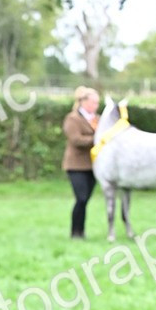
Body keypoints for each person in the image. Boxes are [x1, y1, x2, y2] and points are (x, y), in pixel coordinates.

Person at [62, 86, 100, 238]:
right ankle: (75, 232)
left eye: (97, 103)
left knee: (85, 200)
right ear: (83, 102)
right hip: (76, 165)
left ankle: (81, 232)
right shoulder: (72, 118)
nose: (96, 106)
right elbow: (76, 139)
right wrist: (98, 139)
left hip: (93, 165)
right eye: (93, 102)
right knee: (81, 198)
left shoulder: (97, 119)